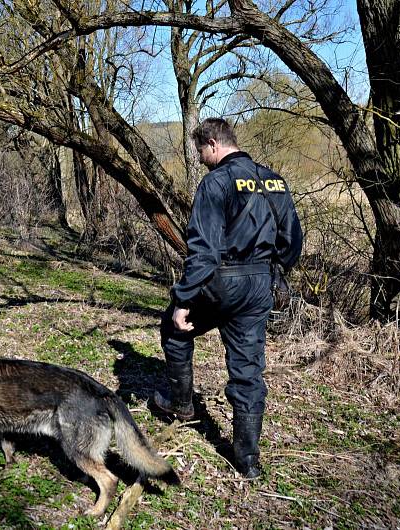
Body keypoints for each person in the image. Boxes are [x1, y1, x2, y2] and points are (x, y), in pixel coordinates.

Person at [152, 118, 302, 478]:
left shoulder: (216, 182)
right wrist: (275, 272)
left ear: (213, 144)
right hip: (259, 285)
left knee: (175, 328)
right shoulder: (274, 182)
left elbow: (203, 251)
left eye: (201, 151)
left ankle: (182, 405)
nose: (201, 158)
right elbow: (293, 243)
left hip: (223, 281)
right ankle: (248, 460)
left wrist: (185, 299)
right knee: (248, 370)